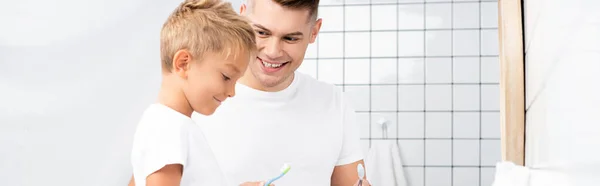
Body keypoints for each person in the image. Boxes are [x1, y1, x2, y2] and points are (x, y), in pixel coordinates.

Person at [190, 0, 372, 185]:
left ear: (314, 32)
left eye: (290, 38)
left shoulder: (333, 103)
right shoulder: (198, 102)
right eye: (262, 33)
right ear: (242, 18)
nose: (273, 52)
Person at [128, 0, 268, 185]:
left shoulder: (163, 123)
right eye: (226, 77)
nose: (232, 92)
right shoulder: (169, 128)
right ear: (184, 63)